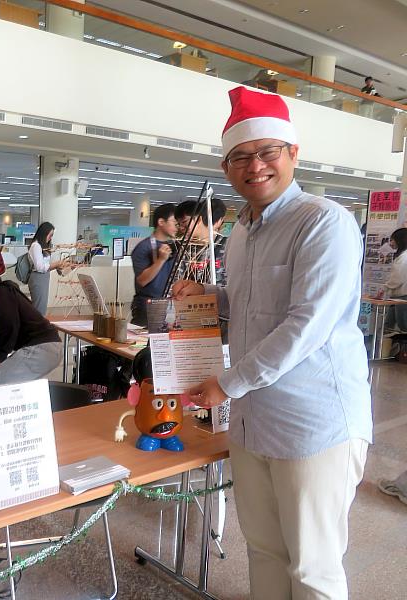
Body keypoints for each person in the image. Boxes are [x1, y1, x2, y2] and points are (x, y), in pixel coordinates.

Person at [174, 86, 372, 599]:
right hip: (252, 420)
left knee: (312, 567)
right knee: (262, 551)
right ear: (226, 167)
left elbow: (307, 324)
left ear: (292, 154)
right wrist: (209, 295)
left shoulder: (324, 222)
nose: (254, 165)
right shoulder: (241, 230)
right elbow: (250, 303)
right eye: (241, 156)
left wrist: (227, 384)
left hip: (314, 421)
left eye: (267, 152)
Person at [0, 272, 63, 384]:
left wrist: (0, 357)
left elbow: (9, 325)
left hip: (39, 347)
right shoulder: (7, 292)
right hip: (46, 347)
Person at [130, 204, 178, 327]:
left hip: (170, 304)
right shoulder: (143, 247)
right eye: (174, 222)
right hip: (148, 304)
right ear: (161, 222)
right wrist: (160, 260)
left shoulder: (175, 246)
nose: (177, 227)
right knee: (143, 343)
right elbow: (142, 280)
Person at [27, 221, 70, 316]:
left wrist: (58, 266)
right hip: (38, 278)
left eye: (52, 235)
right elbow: (40, 267)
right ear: (43, 234)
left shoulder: (42, 247)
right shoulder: (36, 246)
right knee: (39, 308)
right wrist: (55, 264)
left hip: (43, 278)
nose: (50, 238)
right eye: (49, 235)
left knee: (42, 306)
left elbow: (45, 265)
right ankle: (36, 328)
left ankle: (39, 327)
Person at [385, 227, 407, 331]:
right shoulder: (402, 255)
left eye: (392, 240)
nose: (391, 243)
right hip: (397, 296)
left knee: (403, 325)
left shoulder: (404, 256)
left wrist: (386, 287)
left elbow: (398, 278)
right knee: (389, 324)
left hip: (402, 296)